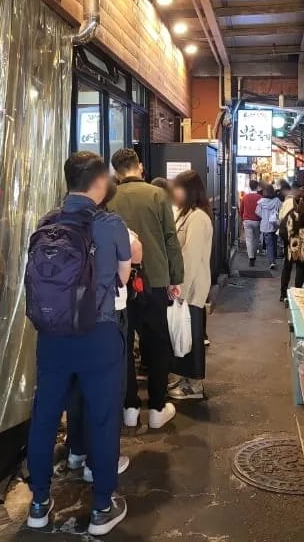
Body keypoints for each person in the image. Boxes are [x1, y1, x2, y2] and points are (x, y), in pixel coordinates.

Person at [26, 152, 131, 535]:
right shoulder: (111, 224)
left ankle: (39, 504)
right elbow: (122, 277)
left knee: (45, 416)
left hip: (52, 336)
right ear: (100, 182)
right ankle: (101, 507)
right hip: (97, 335)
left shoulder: (46, 222)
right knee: (102, 417)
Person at [65, 182, 142, 485]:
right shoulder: (113, 225)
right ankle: (98, 463)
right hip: (108, 317)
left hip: (68, 318)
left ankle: (76, 450)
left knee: (76, 385)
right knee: (106, 391)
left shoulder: (58, 221)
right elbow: (131, 262)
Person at [107, 149, 183, 431]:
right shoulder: (157, 195)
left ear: (116, 171)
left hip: (119, 281)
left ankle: (129, 407)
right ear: (139, 166)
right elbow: (170, 239)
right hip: (155, 279)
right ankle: (157, 408)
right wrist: (176, 277)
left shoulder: (110, 197)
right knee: (158, 343)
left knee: (124, 344)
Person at [167, 170, 213, 401]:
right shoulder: (185, 214)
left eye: (177, 188)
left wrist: (181, 290)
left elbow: (190, 257)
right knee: (183, 333)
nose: (173, 193)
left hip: (192, 288)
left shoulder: (198, 218)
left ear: (189, 191)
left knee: (191, 334)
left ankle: (194, 386)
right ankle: (184, 380)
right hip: (185, 286)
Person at [279, 189, 304, 301]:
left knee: (287, 268)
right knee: (300, 269)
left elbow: (282, 230)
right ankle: (297, 295)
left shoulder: (290, 215)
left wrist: (288, 241)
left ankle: (283, 294)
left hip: (291, 247)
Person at [256, 185, 283, 271]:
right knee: (274, 242)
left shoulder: (261, 202)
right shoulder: (277, 201)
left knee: (269, 244)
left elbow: (257, 212)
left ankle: (272, 261)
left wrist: (264, 216)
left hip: (265, 225)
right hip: (275, 224)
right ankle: (274, 258)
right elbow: (282, 210)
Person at [240, 179, 262, 267]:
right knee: (256, 238)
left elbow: (241, 209)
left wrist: (242, 218)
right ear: (257, 187)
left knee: (249, 239)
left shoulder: (245, 197)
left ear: (250, 187)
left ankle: (251, 258)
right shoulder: (260, 197)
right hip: (257, 220)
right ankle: (254, 255)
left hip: (247, 220)